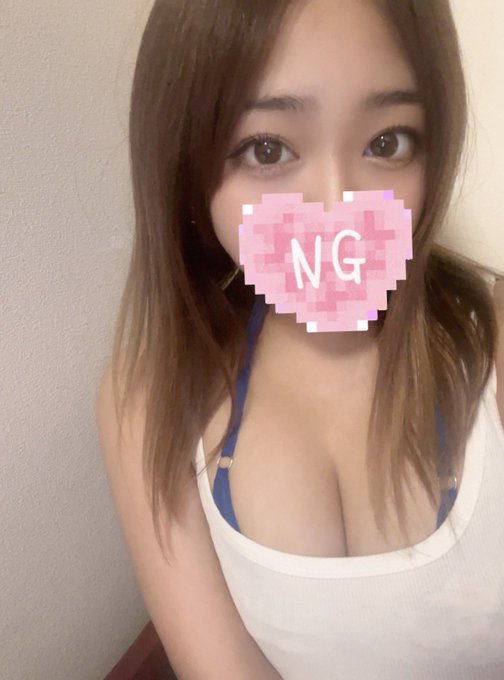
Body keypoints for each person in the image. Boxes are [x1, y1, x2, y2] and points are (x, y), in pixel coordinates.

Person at [96, 0, 504, 677]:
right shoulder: (150, 398)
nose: (338, 210)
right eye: (268, 149)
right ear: (186, 167)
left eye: (387, 142)